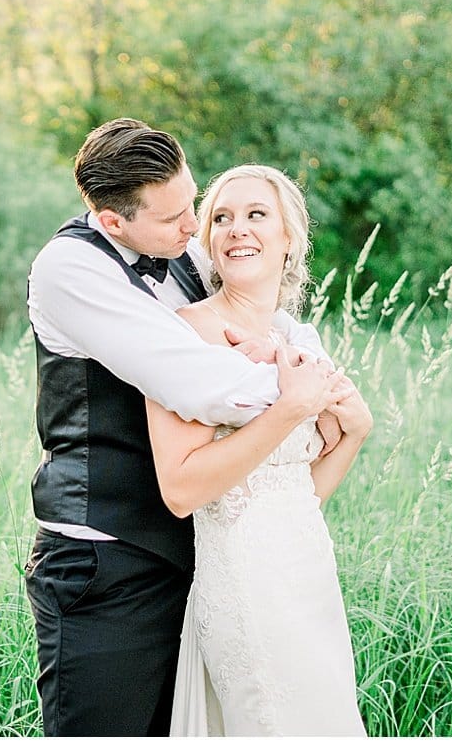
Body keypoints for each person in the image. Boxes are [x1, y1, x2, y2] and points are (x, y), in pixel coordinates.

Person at [25, 118, 350, 736]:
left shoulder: (179, 249)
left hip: (201, 555)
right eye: (176, 217)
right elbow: (197, 383)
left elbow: (264, 311)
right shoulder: (69, 269)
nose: (195, 228)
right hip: (104, 558)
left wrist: (307, 366)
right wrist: (307, 391)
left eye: (194, 202)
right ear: (115, 221)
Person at [157, 164, 371, 735]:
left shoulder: (296, 339)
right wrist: (292, 410)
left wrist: (358, 431)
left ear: (289, 239)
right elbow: (181, 492)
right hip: (246, 588)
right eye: (221, 219)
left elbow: (304, 493)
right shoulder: (184, 333)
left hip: (309, 577)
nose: (236, 230)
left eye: (256, 215)